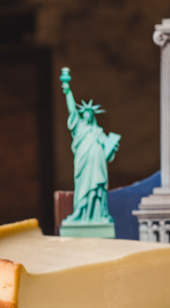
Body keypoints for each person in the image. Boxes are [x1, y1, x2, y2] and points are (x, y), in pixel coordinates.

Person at [60, 68, 120, 225]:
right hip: (84, 163)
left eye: (89, 113)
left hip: (97, 163)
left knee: (96, 189)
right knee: (83, 188)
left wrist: (112, 145)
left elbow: (108, 148)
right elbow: (72, 109)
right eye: (84, 113)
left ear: (92, 116)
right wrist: (68, 92)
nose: (86, 115)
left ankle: (96, 216)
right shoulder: (79, 128)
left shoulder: (98, 131)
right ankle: (80, 213)